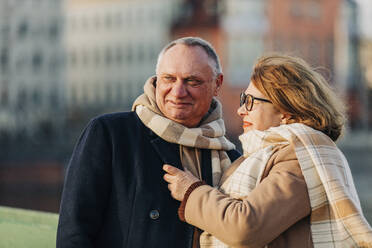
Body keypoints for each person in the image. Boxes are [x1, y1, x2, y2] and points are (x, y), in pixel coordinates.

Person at [163, 54, 372, 247]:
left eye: (250, 102)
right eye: (243, 99)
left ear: (285, 111)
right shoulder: (270, 155)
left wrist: (191, 191)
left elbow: (245, 227)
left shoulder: (300, 158)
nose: (241, 109)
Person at [56, 37, 240, 248]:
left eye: (192, 81)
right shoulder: (111, 135)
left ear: (217, 84)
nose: (178, 92)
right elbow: (74, 232)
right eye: (169, 79)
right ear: (156, 80)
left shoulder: (230, 159)